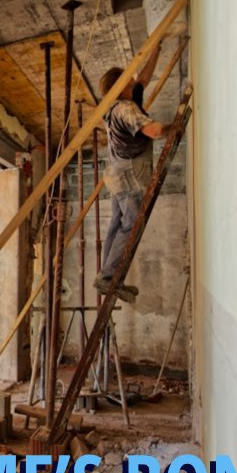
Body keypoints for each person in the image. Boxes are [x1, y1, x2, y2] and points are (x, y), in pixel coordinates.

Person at [94, 40, 170, 303]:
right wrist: (174, 127)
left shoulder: (119, 102)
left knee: (117, 223)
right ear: (121, 85)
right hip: (128, 176)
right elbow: (154, 131)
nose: (133, 81)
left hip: (115, 173)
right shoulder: (125, 108)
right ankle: (109, 277)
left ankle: (108, 277)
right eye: (128, 80)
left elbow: (144, 78)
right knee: (132, 224)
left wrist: (157, 48)